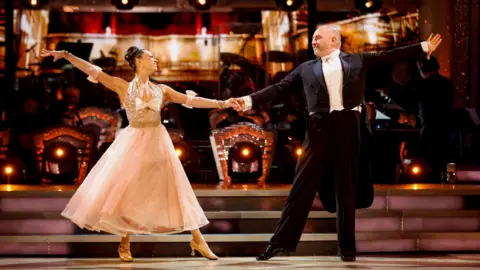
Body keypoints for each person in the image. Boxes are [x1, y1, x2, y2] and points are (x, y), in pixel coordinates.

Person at [233, 25, 442, 262]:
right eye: (313, 38)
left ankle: (347, 249)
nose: (313, 42)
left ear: (334, 41)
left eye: (317, 38)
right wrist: (248, 100)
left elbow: (389, 55)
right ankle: (281, 243)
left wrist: (423, 47)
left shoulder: (357, 60)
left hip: (348, 126)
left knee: (346, 188)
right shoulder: (306, 68)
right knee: (301, 187)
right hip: (318, 127)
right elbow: (279, 88)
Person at [41, 46, 240, 262]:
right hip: (134, 141)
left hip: (158, 142)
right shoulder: (122, 86)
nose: (155, 60)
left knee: (175, 188)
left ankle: (198, 240)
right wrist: (67, 55)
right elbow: (94, 71)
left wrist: (223, 103)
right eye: (150, 57)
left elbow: (190, 101)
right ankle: (125, 240)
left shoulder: (161, 90)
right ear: (138, 61)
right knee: (130, 189)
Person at [417, 55, 454, 181]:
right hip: (445, 129)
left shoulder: (424, 85)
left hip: (429, 131)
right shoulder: (447, 84)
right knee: (442, 166)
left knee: (428, 168)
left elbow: (415, 106)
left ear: (422, 69)